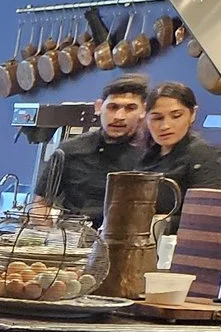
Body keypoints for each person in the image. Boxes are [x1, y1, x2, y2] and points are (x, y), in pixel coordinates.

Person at [38, 74, 151, 224]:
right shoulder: (69, 150)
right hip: (74, 238)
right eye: (113, 107)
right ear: (99, 107)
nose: (119, 116)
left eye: (130, 108)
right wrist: (48, 234)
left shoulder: (152, 155)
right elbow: (40, 204)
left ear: (143, 110)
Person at [145, 82, 221, 205]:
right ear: (146, 118)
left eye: (176, 116)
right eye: (157, 118)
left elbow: (206, 213)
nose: (165, 126)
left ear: (192, 114)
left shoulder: (205, 156)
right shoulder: (145, 157)